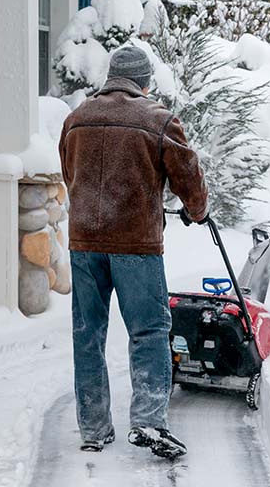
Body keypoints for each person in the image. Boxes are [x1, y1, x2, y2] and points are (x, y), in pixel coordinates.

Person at [58, 46, 209, 459]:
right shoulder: (157, 120)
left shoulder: (76, 119)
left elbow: (68, 173)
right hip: (135, 245)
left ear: (110, 78)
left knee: (87, 335)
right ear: (144, 81)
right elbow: (188, 175)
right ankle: (148, 421)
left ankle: (93, 427)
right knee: (149, 331)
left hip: (85, 243)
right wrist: (198, 209)